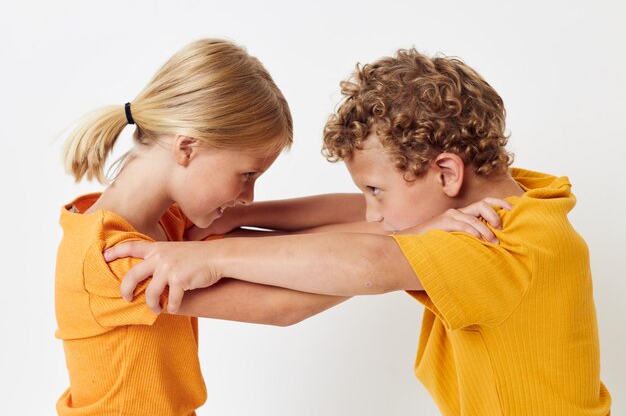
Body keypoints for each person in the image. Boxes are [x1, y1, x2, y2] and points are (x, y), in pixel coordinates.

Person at [106, 48, 612, 415]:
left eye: (377, 190)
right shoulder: (518, 204)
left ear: (447, 173)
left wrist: (212, 259)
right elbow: (362, 217)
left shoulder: (495, 243)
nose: (370, 212)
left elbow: (370, 261)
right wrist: (243, 218)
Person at [55, 39, 501, 416]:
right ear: (187, 147)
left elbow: (299, 249)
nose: (249, 195)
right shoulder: (113, 258)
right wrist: (417, 240)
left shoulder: (168, 223)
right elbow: (281, 304)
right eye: (247, 175)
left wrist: (404, 215)